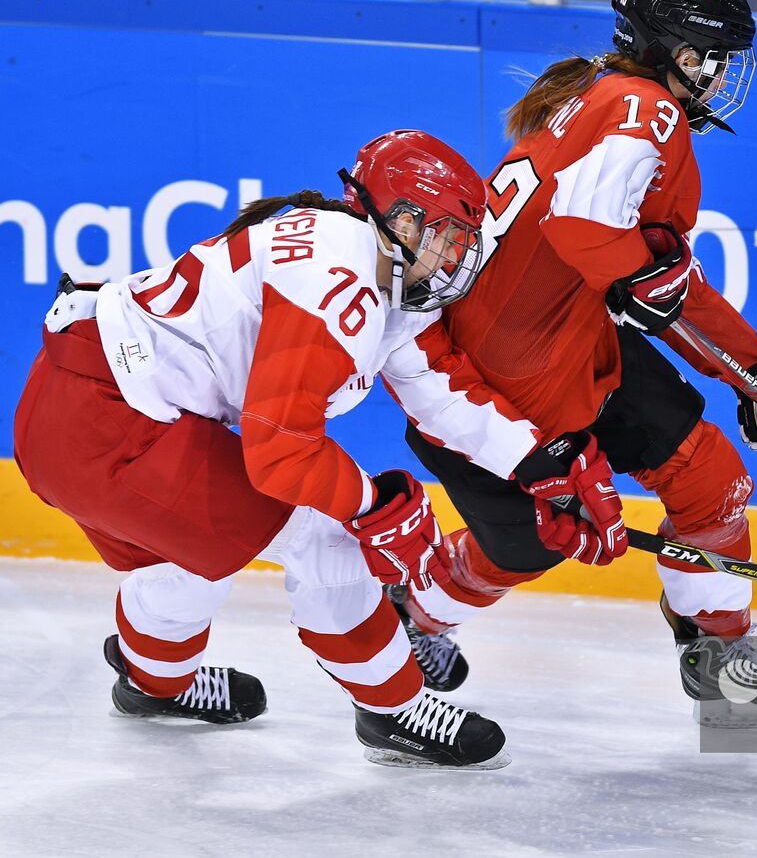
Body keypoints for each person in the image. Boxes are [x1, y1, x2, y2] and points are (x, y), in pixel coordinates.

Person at [11, 130, 622, 767]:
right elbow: (279, 451)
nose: (450, 257)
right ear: (400, 219)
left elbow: (440, 391)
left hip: (71, 410)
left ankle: (153, 684)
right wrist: (375, 507)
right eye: (442, 236)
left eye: (457, 242)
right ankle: (395, 710)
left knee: (181, 554)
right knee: (324, 538)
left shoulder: (378, 269)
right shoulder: (341, 276)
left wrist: (544, 462)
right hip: (113, 426)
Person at [396, 0, 757, 725]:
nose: (722, 76)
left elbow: (649, 282)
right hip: (507, 386)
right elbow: (587, 231)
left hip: (565, 337)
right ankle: (420, 607)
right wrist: (641, 280)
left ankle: (718, 652)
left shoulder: (604, 92)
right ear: (681, 54)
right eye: (715, 59)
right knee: (524, 548)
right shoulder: (644, 109)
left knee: (708, 475)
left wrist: (756, 371)